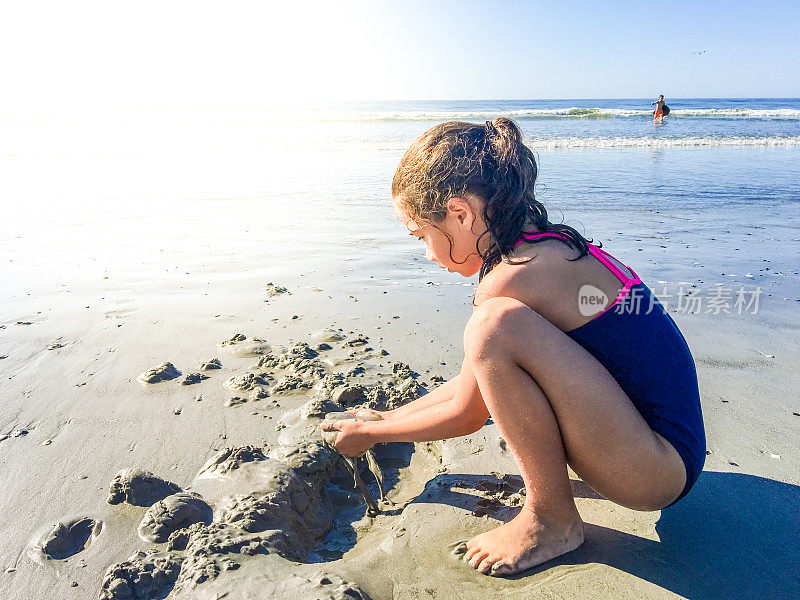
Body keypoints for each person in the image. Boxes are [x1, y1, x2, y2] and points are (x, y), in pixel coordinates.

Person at [321, 118, 705, 577]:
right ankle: (553, 511)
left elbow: (468, 413)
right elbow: (475, 382)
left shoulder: (513, 278)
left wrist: (375, 435)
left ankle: (551, 520)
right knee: (492, 333)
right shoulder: (547, 247)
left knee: (491, 327)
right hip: (664, 451)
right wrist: (385, 419)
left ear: (460, 214)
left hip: (652, 471)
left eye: (422, 235)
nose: (427, 253)